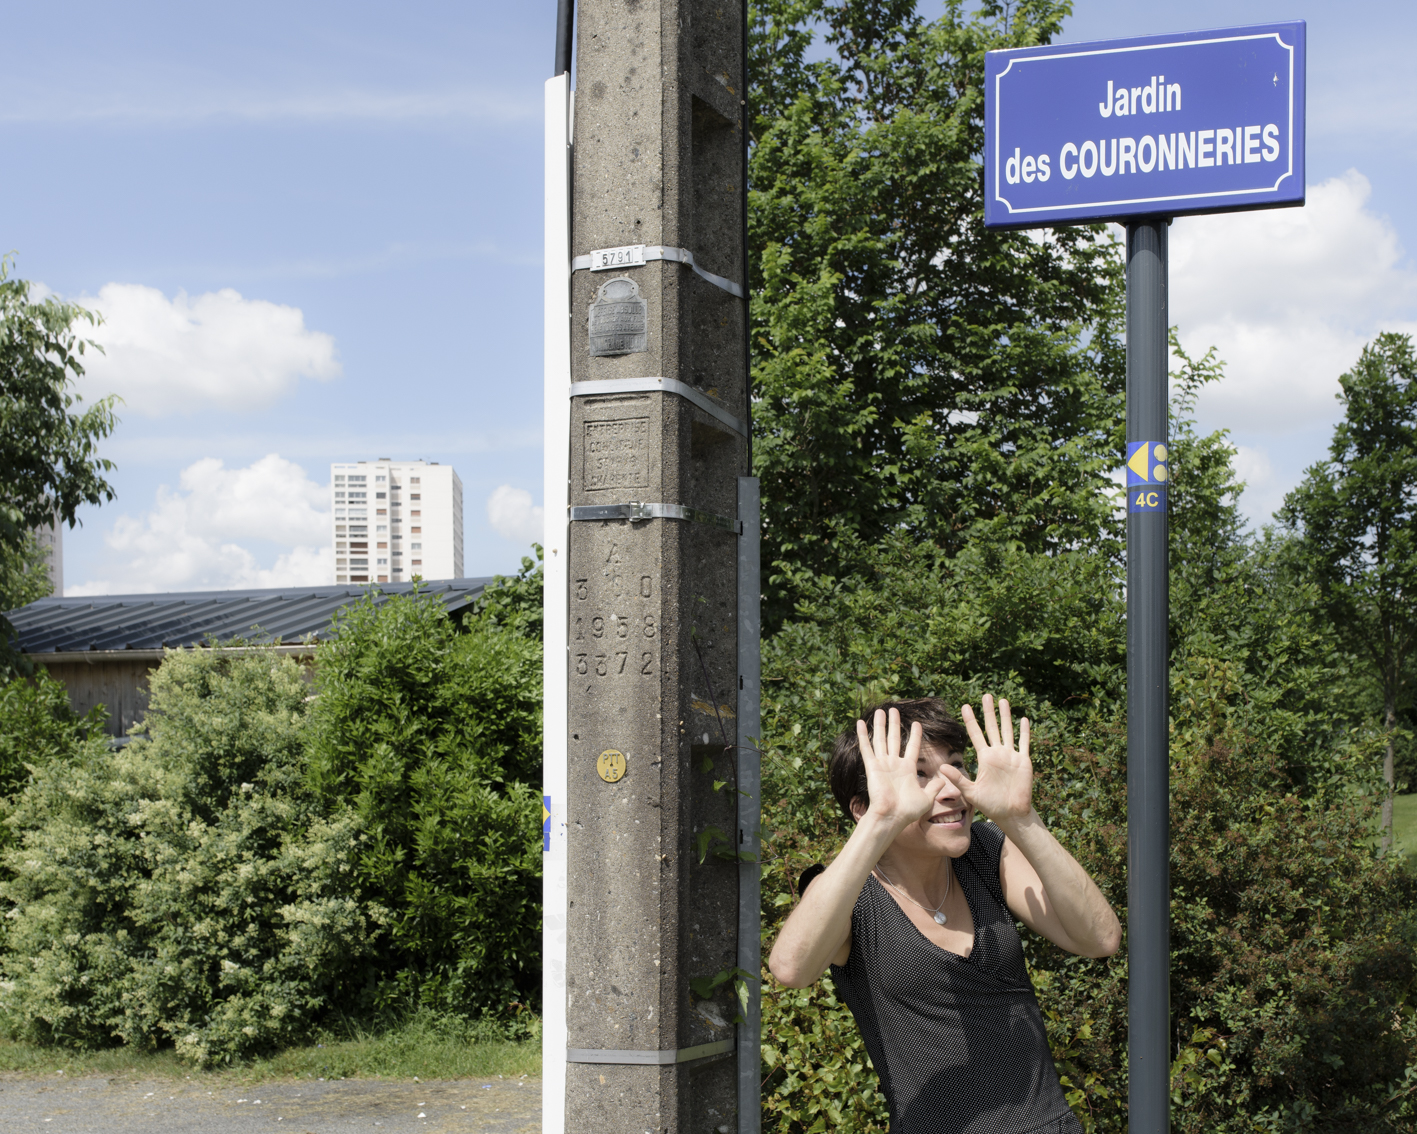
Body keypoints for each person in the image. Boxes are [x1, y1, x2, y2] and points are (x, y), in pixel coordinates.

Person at [767, 695, 1121, 1134]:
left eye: (955, 766)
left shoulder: (986, 853)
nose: (952, 789)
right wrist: (880, 820)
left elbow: (1099, 939)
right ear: (862, 806)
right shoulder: (850, 895)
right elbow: (791, 969)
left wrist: (1021, 818)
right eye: (919, 775)